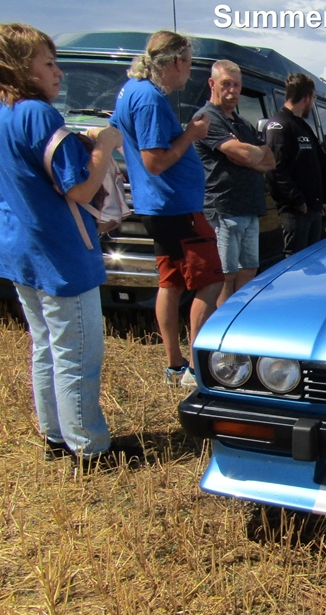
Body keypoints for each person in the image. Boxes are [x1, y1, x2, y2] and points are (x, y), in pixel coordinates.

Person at [0, 23, 138, 468]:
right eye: (49, 63)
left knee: (46, 346)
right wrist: (106, 145)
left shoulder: (5, 113)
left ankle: (56, 435)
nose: (58, 72)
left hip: (22, 251)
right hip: (60, 253)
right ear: (21, 67)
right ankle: (90, 447)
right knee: (78, 353)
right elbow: (79, 188)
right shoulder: (39, 114)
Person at [111, 30, 223, 388]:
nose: (189, 72)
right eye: (189, 63)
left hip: (158, 205)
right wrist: (191, 134)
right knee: (211, 281)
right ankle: (196, 367)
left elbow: (115, 135)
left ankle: (175, 365)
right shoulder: (149, 99)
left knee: (171, 282)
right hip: (175, 206)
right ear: (176, 61)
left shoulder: (131, 90)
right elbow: (155, 161)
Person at [193, 60, 274, 306]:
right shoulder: (207, 118)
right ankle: (223, 325)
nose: (232, 90)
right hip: (223, 209)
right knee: (225, 276)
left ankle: (239, 322)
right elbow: (249, 155)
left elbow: (270, 160)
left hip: (249, 209)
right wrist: (248, 154)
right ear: (212, 83)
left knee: (248, 271)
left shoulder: (243, 123)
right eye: (226, 84)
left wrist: (244, 155)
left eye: (237, 85)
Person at [265, 73, 326, 257]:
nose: (312, 103)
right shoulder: (279, 125)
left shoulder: (304, 126)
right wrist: (297, 201)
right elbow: (275, 169)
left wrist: (324, 199)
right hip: (296, 212)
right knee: (295, 263)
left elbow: (318, 164)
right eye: (313, 98)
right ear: (307, 97)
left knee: (313, 261)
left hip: (314, 209)